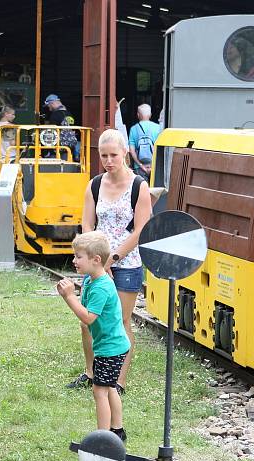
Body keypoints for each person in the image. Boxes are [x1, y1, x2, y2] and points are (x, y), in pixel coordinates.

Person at [67, 129, 153, 395]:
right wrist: (94, 260)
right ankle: (91, 373)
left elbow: (141, 229)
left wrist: (112, 259)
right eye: (103, 155)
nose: (108, 160)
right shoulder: (94, 185)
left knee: (121, 322)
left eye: (113, 155)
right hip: (96, 262)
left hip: (126, 263)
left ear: (125, 152)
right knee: (88, 321)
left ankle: (118, 381)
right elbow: (88, 224)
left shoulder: (139, 186)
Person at [57, 231, 130, 442]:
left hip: (111, 347)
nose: (74, 260)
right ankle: (117, 430)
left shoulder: (101, 287)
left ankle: (103, 438)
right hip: (110, 345)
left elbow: (88, 318)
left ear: (96, 260)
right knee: (110, 388)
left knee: (100, 391)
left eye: (78, 256)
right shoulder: (91, 280)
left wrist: (69, 297)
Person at [128, 104, 162, 179]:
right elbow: (161, 149)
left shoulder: (133, 129)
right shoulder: (158, 128)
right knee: (156, 190)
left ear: (138, 115)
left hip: (139, 168)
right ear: (150, 115)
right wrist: (153, 165)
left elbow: (131, 150)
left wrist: (141, 165)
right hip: (155, 166)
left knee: (141, 189)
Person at [43, 94, 78, 160]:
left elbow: (50, 134)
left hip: (58, 150)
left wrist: (48, 151)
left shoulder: (55, 115)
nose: (49, 109)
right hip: (70, 148)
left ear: (52, 103)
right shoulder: (69, 114)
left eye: (49, 106)